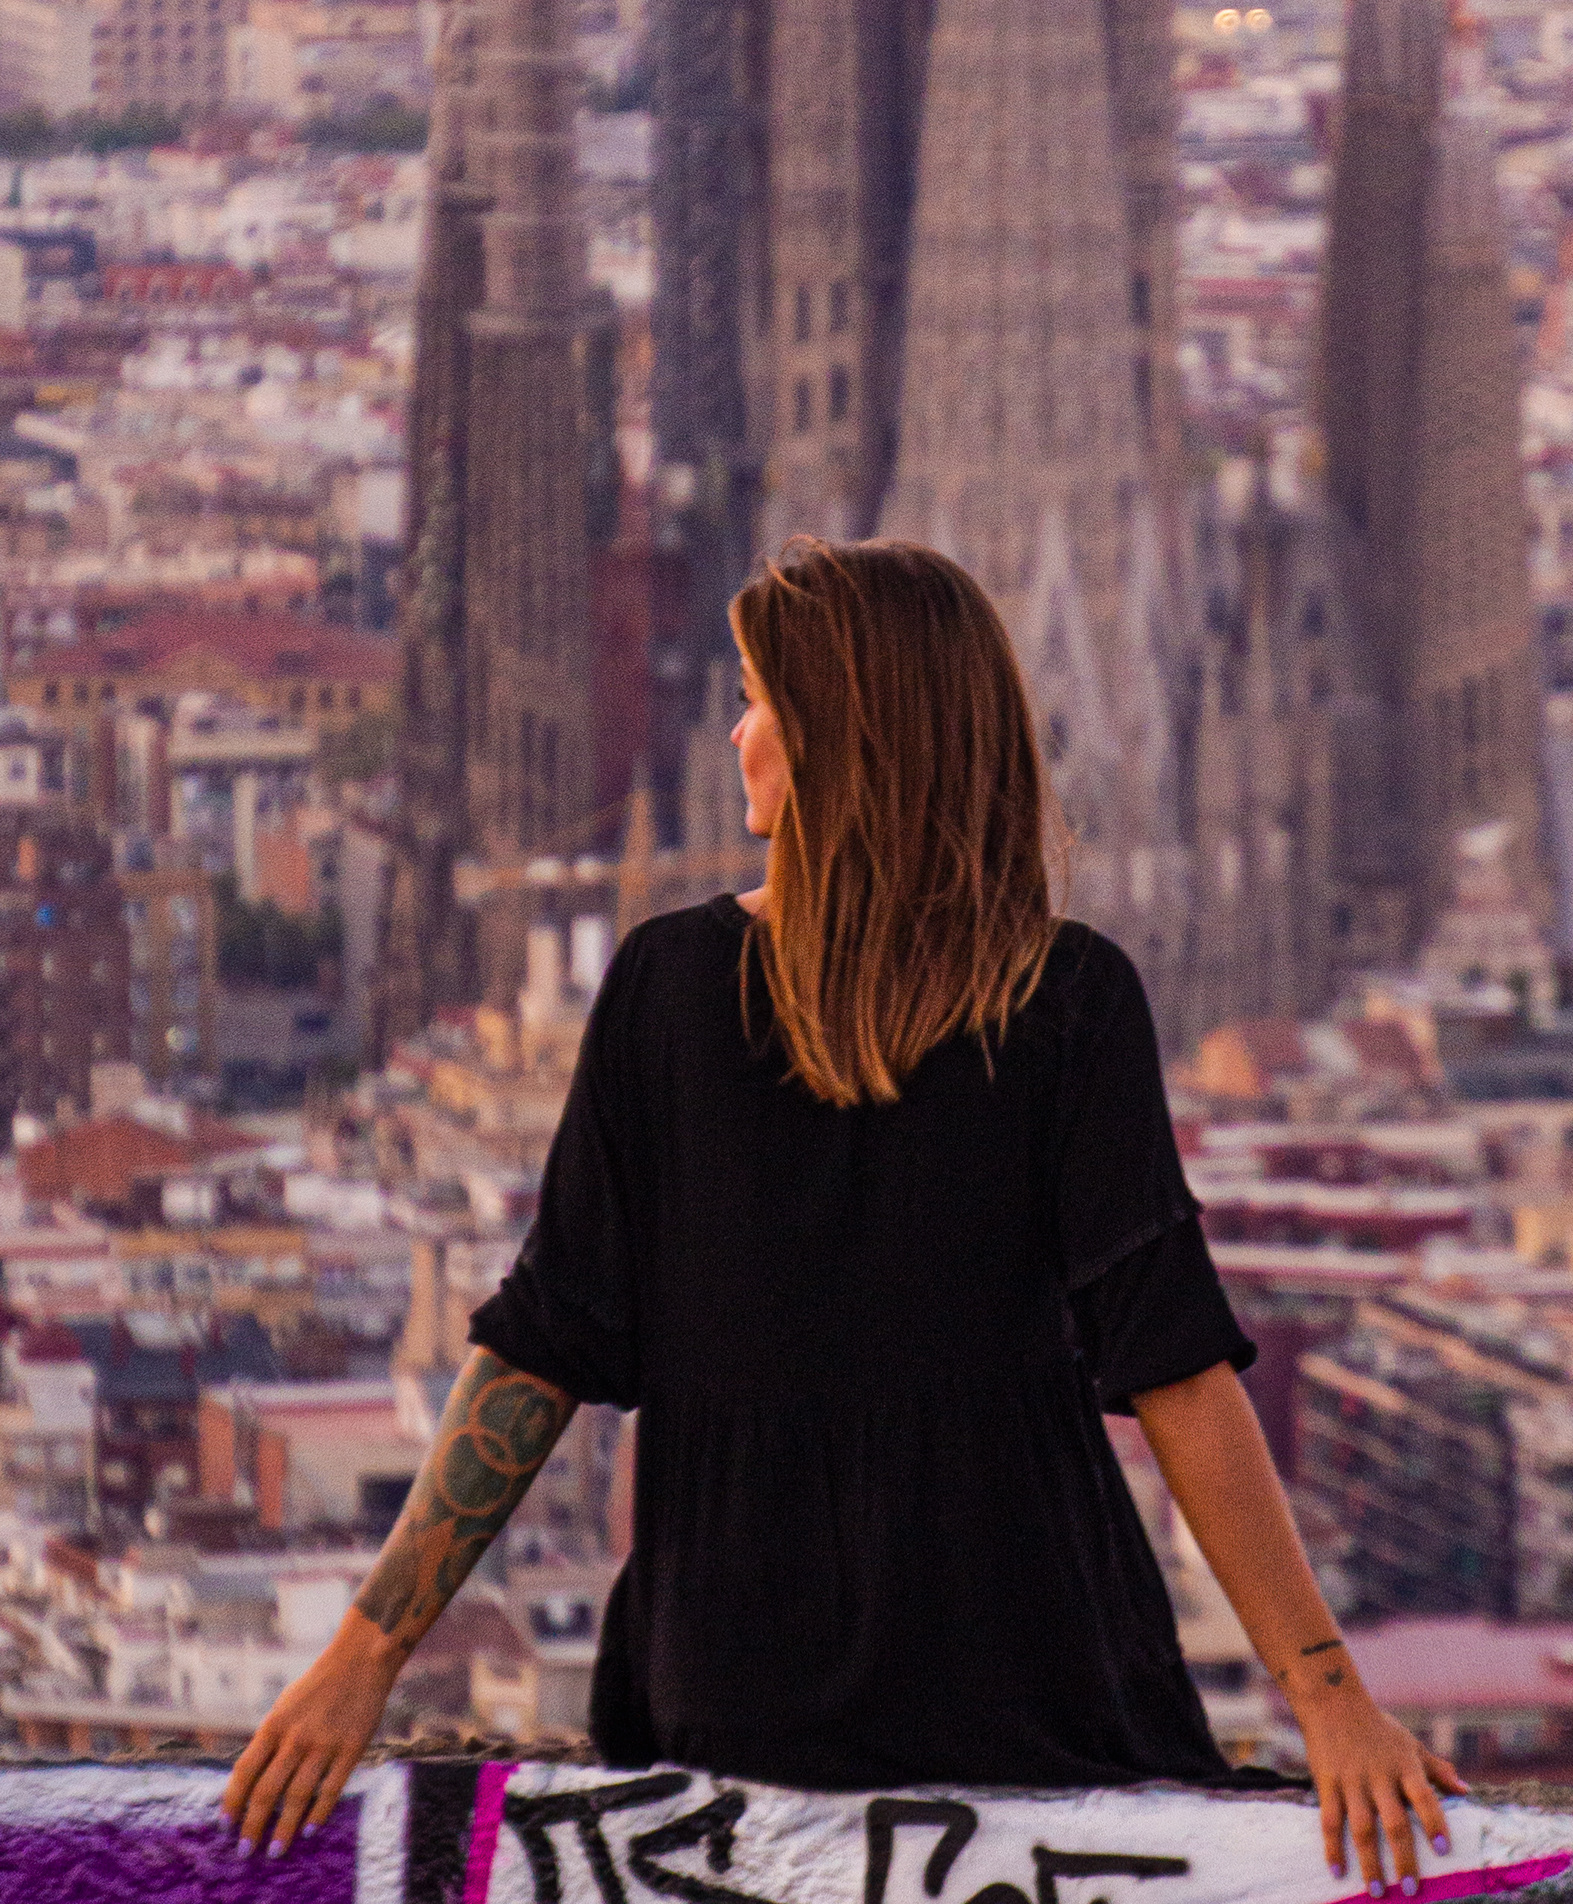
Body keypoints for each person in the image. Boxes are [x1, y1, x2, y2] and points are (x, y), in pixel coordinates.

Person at [224, 540, 1463, 1876]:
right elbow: (1174, 1366)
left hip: (748, 1704)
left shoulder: (713, 991)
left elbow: (545, 1349)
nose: (738, 733)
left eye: (761, 700)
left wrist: (367, 1654)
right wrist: (1327, 1698)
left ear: (839, 739)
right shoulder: (1045, 999)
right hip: (1023, 1695)